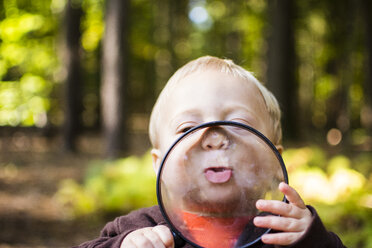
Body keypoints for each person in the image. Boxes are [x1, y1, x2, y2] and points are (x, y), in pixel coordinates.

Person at [74, 56, 346, 248]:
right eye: (188, 127)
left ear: (272, 160)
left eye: (238, 124)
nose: (214, 139)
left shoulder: (285, 233)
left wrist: (313, 240)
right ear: (159, 165)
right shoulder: (138, 227)